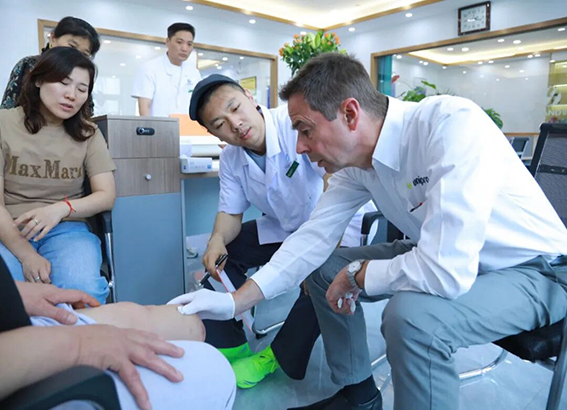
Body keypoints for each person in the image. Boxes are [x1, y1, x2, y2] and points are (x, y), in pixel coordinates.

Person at [172, 53, 567, 410]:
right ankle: (358, 394)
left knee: (412, 318)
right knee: (324, 267)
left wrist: (360, 274)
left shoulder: (450, 125)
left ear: (350, 113)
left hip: (536, 269)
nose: (301, 147)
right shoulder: (356, 167)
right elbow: (313, 237)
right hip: (443, 253)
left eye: (305, 131)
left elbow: (446, 270)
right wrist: (234, 303)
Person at [169, 74, 375, 389]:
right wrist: (216, 240)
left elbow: (333, 184)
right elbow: (230, 212)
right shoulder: (231, 158)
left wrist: (315, 257)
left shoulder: (294, 125)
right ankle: (231, 344)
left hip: (341, 226)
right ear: (212, 133)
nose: (235, 124)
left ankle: (274, 357)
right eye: (220, 124)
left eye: (235, 108)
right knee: (227, 255)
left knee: (322, 275)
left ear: (250, 97)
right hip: (286, 227)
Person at [0, 255, 236, 410]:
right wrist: (81, 345)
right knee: (216, 371)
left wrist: (14, 293)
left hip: (18, 328)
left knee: (189, 324)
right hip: (15, 374)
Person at [0, 47, 116, 304]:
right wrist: (26, 255)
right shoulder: (3, 123)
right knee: (13, 299)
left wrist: (59, 209)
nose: (71, 95)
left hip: (67, 228)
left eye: (82, 89)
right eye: (63, 83)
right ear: (38, 80)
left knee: (83, 293)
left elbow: (106, 195)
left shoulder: (88, 133)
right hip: (8, 228)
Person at [1, 16, 99, 114]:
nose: (76, 56)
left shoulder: (83, 75)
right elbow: (8, 106)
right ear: (53, 39)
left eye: (84, 54)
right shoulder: (29, 64)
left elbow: (87, 113)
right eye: (72, 47)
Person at [132, 22, 201, 117]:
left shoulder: (194, 73)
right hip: (159, 125)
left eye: (189, 44)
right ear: (168, 42)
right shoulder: (150, 69)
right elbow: (144, 108)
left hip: (188, 125)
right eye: (179, 42)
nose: (184, 48)